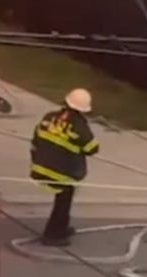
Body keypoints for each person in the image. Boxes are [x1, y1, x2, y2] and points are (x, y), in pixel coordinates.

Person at [29, 87, 100, 245]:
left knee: (62, 199)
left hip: (40, 167)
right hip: (62, 173)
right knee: (63, 201)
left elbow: (35, 140)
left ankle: (61, 228)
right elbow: (92, 148)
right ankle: (53, 234)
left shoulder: (49, 117)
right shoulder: (78, 126)